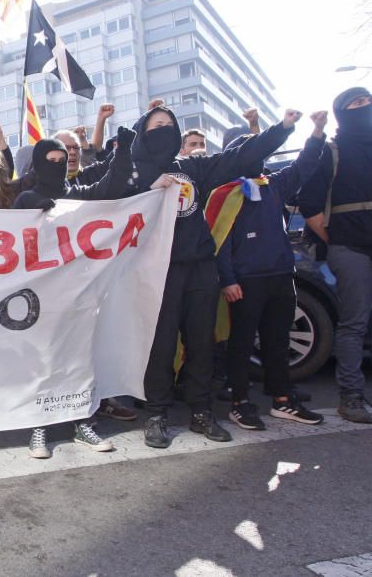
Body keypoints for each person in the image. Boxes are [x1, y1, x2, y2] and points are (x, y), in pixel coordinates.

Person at [130, 103, 303, 449]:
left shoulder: (193, 167)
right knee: (161, 345)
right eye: (155, 125)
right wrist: (148, 188)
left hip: (200, 268)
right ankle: (157, 412)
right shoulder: (133, 173)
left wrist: (281, 128)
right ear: (142, 133)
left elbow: (240, 156)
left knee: (201, 343)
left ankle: (201, 410)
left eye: (169, 124)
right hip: (157, 272)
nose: (163, 129)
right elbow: (109, 204)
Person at [12, 132, 143, 457]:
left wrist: (123, 150)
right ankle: (38, 425)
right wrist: (31, 208)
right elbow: (11, 236)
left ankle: (82, 420)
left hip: (81, 295)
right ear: (38, 164)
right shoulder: (25, 199)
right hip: (40, 296)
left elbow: (114, 182)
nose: (57, 166)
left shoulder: (82, 196)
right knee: (41, 360)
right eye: (49, 161)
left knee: (80, 360)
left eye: (61, 160)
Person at [218, 113, 327, 430]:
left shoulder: (274, 185)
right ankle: (240, 403)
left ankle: (282, 399)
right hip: (245, 282)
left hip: (281, 277)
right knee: (240, 343)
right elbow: (219, 240)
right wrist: (228, 279)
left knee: (277, 341)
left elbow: (304, 166)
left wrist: (317, 133)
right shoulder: (225, 192)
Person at [298, 86, 372, 423]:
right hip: (351, 249)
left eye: (368, 101)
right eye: (356, 103)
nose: (364, 106)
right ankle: (352, 395)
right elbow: (310, 203)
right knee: (354, 323)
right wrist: (336, 237)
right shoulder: (333, 152)